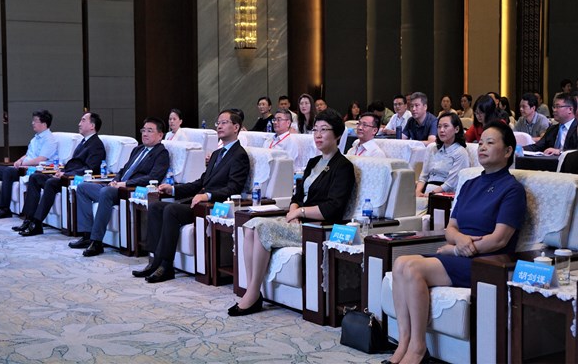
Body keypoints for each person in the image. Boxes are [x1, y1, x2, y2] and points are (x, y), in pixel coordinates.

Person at [385, 121, 526, 364]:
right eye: (480, 142)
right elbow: (451, 228)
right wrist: (458, 241)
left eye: (490, 143)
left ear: (508, 151)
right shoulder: (470, 184)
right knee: (399, 265)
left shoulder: (512, 190)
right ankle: (404, 343)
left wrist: (455, 250)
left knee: (411, 267)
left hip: (486, 263)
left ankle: (418, 348)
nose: (482, 147)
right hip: (461, 253)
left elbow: (499, 239)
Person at [228, 108, 355, 316]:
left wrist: (300, 213)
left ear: (338, 135)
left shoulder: (343, 167)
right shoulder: (314, 162)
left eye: (324, 130)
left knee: (261, 227)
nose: (318, 135)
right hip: (300, 220)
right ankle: (253, 289)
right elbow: (297, 196)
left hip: (318, 227)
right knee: (249, 226)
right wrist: (295, 209)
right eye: (315, 130)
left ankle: (252, 294)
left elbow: (333, 207)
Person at [133, 109, 250, 283]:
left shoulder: (239, 155)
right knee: (156, 206)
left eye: (224, 122)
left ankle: (166, 266)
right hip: (198, 202)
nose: (219, 126)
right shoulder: (217, 153)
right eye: (218, 123)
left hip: (214, 207)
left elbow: (234, 188)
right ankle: (154, 261)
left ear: (236, 127)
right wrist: (173, 190)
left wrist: (207, 196)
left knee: (171, 210)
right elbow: (201, 182)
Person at [70, 117, 169, 256]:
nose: (145, 134)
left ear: (160, 135)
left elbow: (153, 177)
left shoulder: (161, 153)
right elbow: (124, 170)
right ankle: (87, 235)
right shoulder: (138, 149)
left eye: (150, 131)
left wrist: (125, 184)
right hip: (117, 187)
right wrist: (115, 180)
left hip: (129, 191)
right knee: (83, 187)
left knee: (105, 192)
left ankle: (96, 242)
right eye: (143, 130)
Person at [14, 112, 106, 236]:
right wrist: (62, 171)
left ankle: (37, 223)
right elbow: (75, 163)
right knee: (35, 177)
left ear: (92, 126)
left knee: (51, 183)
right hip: (67, 175)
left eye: (83, 120)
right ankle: (28, 219)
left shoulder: (96, 145)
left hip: (75, 179)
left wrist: (66, 174)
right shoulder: (83, 142)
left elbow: (90, 168)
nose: (79, 124)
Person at [0, 109, 58, 220]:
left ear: (44, 123)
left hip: (33, 170)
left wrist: (23, 163)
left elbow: (40, 159)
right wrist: (19, 160)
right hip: (24, 167)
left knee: (8, 171)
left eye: (35, 121)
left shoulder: (50, 140)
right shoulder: (35, 138)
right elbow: (28, 154)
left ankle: (4, 208)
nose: (32, 123)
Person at [415, 113, 469, 197]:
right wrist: (417, 192)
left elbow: (450, 184)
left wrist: (430, 194)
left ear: (456, 129)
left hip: (444, 194)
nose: (441, 130)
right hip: (426, 189)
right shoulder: (432, 148)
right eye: (439, 127)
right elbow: (423, 176)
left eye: (446, 126)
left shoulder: (461, 152)